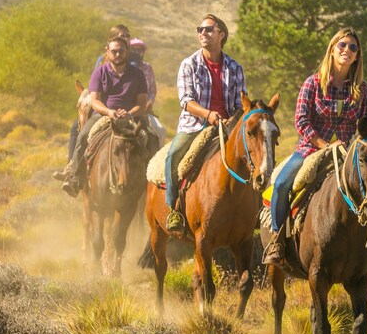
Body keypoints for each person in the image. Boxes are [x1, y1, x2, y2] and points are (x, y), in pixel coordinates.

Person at [263, 27, 367, 271]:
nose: (347, 50)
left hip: (348, 155)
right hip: (311, 150)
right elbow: (301, 120)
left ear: (357, 56)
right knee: (281, 184)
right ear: (332, 50)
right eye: (342, 45)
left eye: (353, 47)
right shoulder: (313, 83)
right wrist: (323, 144)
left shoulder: (362, 90)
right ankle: (277, 241)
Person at [165, 13, 246, 232]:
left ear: (221, 35)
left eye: (209, 29)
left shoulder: (235, 68)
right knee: (173, 156)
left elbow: (242, 102)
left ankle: (256, 209)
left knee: (255, 157)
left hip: (229, 126)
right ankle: (174, 210)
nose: (203, 33)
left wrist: (234, 118)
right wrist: (208, 114)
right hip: (195, 125)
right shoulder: (189, 64)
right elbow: (186, 101)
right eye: (200, 29)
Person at [61, 35, 149, 197]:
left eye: (121, 51)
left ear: (127, 52)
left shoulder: (137, 74)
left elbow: (142, 103)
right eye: (114, 51)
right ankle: (75, 178)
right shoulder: (99, 73)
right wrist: (109, 112)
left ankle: (152, 183)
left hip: (131, 117)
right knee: (83, 136)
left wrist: (130, 113)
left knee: (151, 137)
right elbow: (95, 101)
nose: (117, 54)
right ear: (107, 52)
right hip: (103, 115)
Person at [129, 37, 166, 147]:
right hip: (125, 110)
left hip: (145, 110)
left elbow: (153, 90)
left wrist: (149, 103)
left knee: (161, 130)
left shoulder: (148, 68)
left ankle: (156, 162)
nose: (136, 53)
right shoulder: (123, 67)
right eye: (133, 50)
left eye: (140, 50)